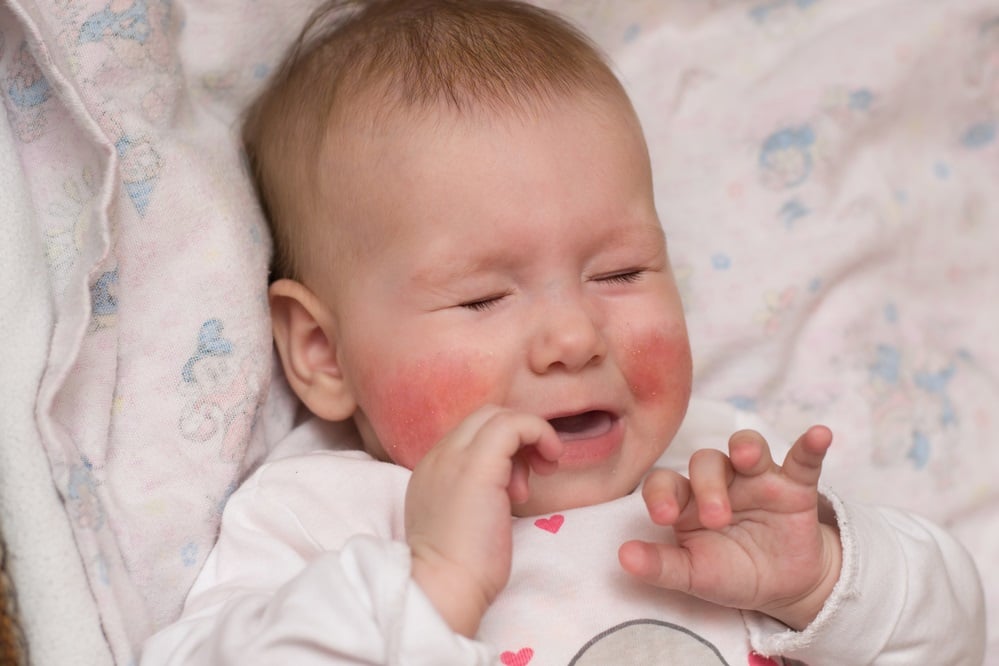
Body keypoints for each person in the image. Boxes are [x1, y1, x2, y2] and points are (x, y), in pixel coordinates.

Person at [141, 0, 985, 663]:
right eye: (481, 299)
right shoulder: (323, 518)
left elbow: (956, 639)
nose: (574, 338)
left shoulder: (715, 468)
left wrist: (821, 581)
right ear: (324, 353)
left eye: (618, 274)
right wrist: (429, 587)